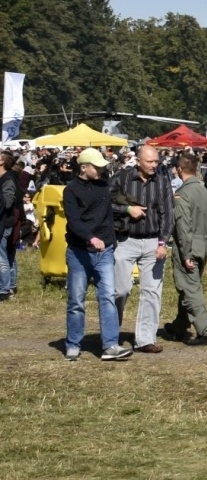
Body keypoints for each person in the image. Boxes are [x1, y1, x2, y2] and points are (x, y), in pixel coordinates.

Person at [63, 149, 129, 361]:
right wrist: (91, 238)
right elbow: (74, 221)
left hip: (105, 251)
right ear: (83, 167)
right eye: (96, 166)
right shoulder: (71, 190)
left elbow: (108, 215)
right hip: (79, 252)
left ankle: (110, 345)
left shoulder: (103, 186)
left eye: (102, 166)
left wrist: (111, 240)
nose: (101, 169)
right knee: (76, 301)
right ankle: (73, 343)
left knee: (108, 297)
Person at [110, 145, 174, 353]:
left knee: (151, 292)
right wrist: (127, 209)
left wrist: (163, 242)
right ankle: (111, 334)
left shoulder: (162, 183)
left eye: (156, 161)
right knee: (120, 290)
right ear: (138, 161)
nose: (154, 165)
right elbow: (106, 204)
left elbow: (167, 215)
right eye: (150, 162)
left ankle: (146, 339)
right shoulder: (121, 179)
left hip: (153, 241)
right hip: (125, 240)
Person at [164, 153, 207, 346]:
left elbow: (183, 226)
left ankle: (205, 332)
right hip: (203, 245)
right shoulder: (206, 193)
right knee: (189, 287)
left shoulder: (182, 194)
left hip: (189, 246)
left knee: (190, 289)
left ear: (179, 169)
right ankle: (179, 326)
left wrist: (186, 253)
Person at [0, 152, 17, 299]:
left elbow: (7, 202)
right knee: (6, 255)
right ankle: (10, 285)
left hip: (4, 222)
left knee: (1, 256)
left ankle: (4, 290)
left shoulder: (8, 179)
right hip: (4, 221)